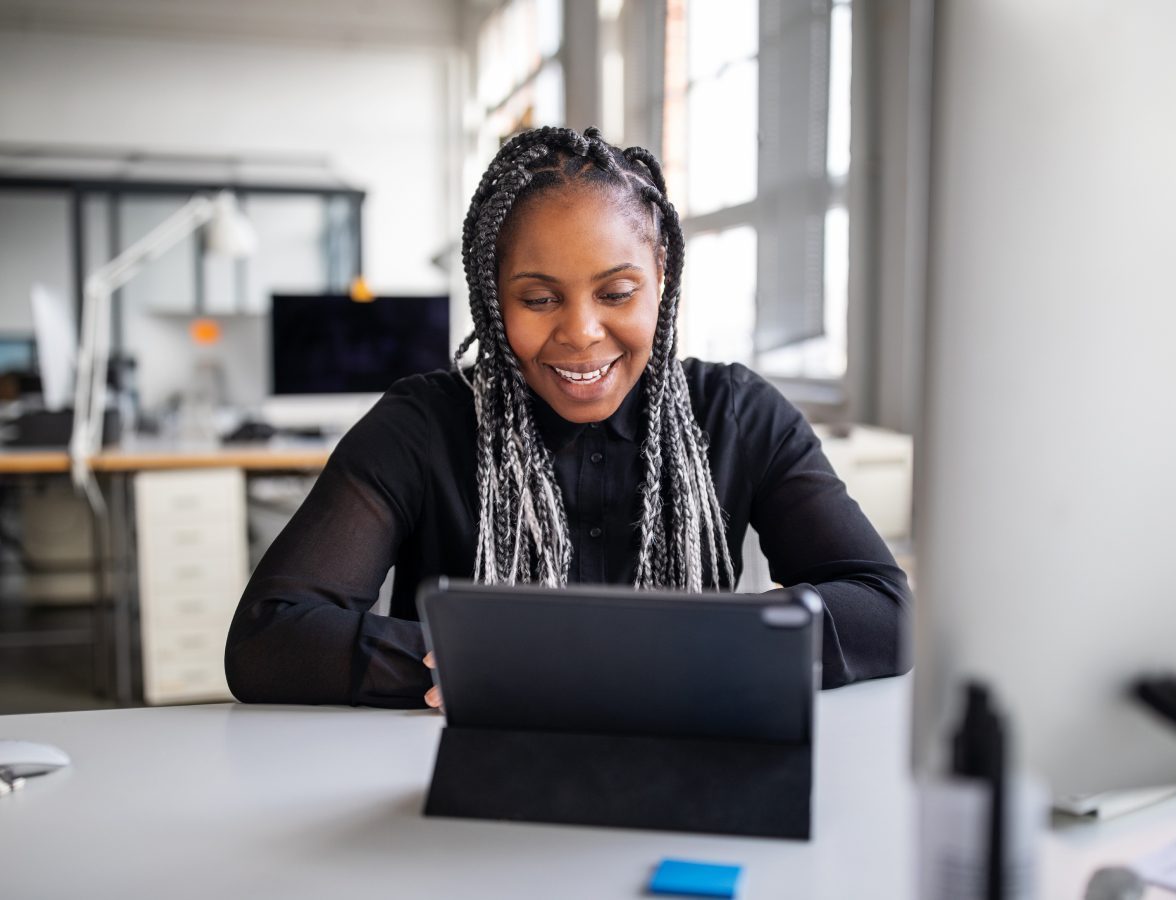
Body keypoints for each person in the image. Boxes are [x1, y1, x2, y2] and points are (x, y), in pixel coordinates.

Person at [225, 126, 910, 709]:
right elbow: (268, 638)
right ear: (493, 297)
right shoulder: (420, 428)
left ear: (662, 276)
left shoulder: (737, 415)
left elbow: (885, 610)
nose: (582, 332)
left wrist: (690, 651)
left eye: (616, 291)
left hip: (686, 770)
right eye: (539, 298)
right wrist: (478, 660)